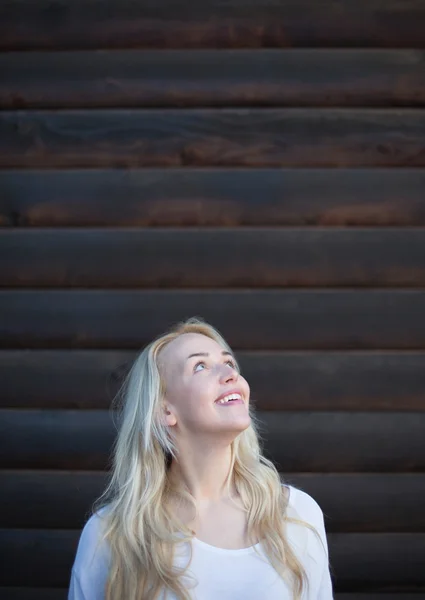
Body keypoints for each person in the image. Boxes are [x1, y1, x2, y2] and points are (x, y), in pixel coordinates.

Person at [68, 317, 334, 599]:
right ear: (164, 411)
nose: (230, 374)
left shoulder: (298, 515)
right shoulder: (110, 535)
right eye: (200, 366)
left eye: (229, 363)